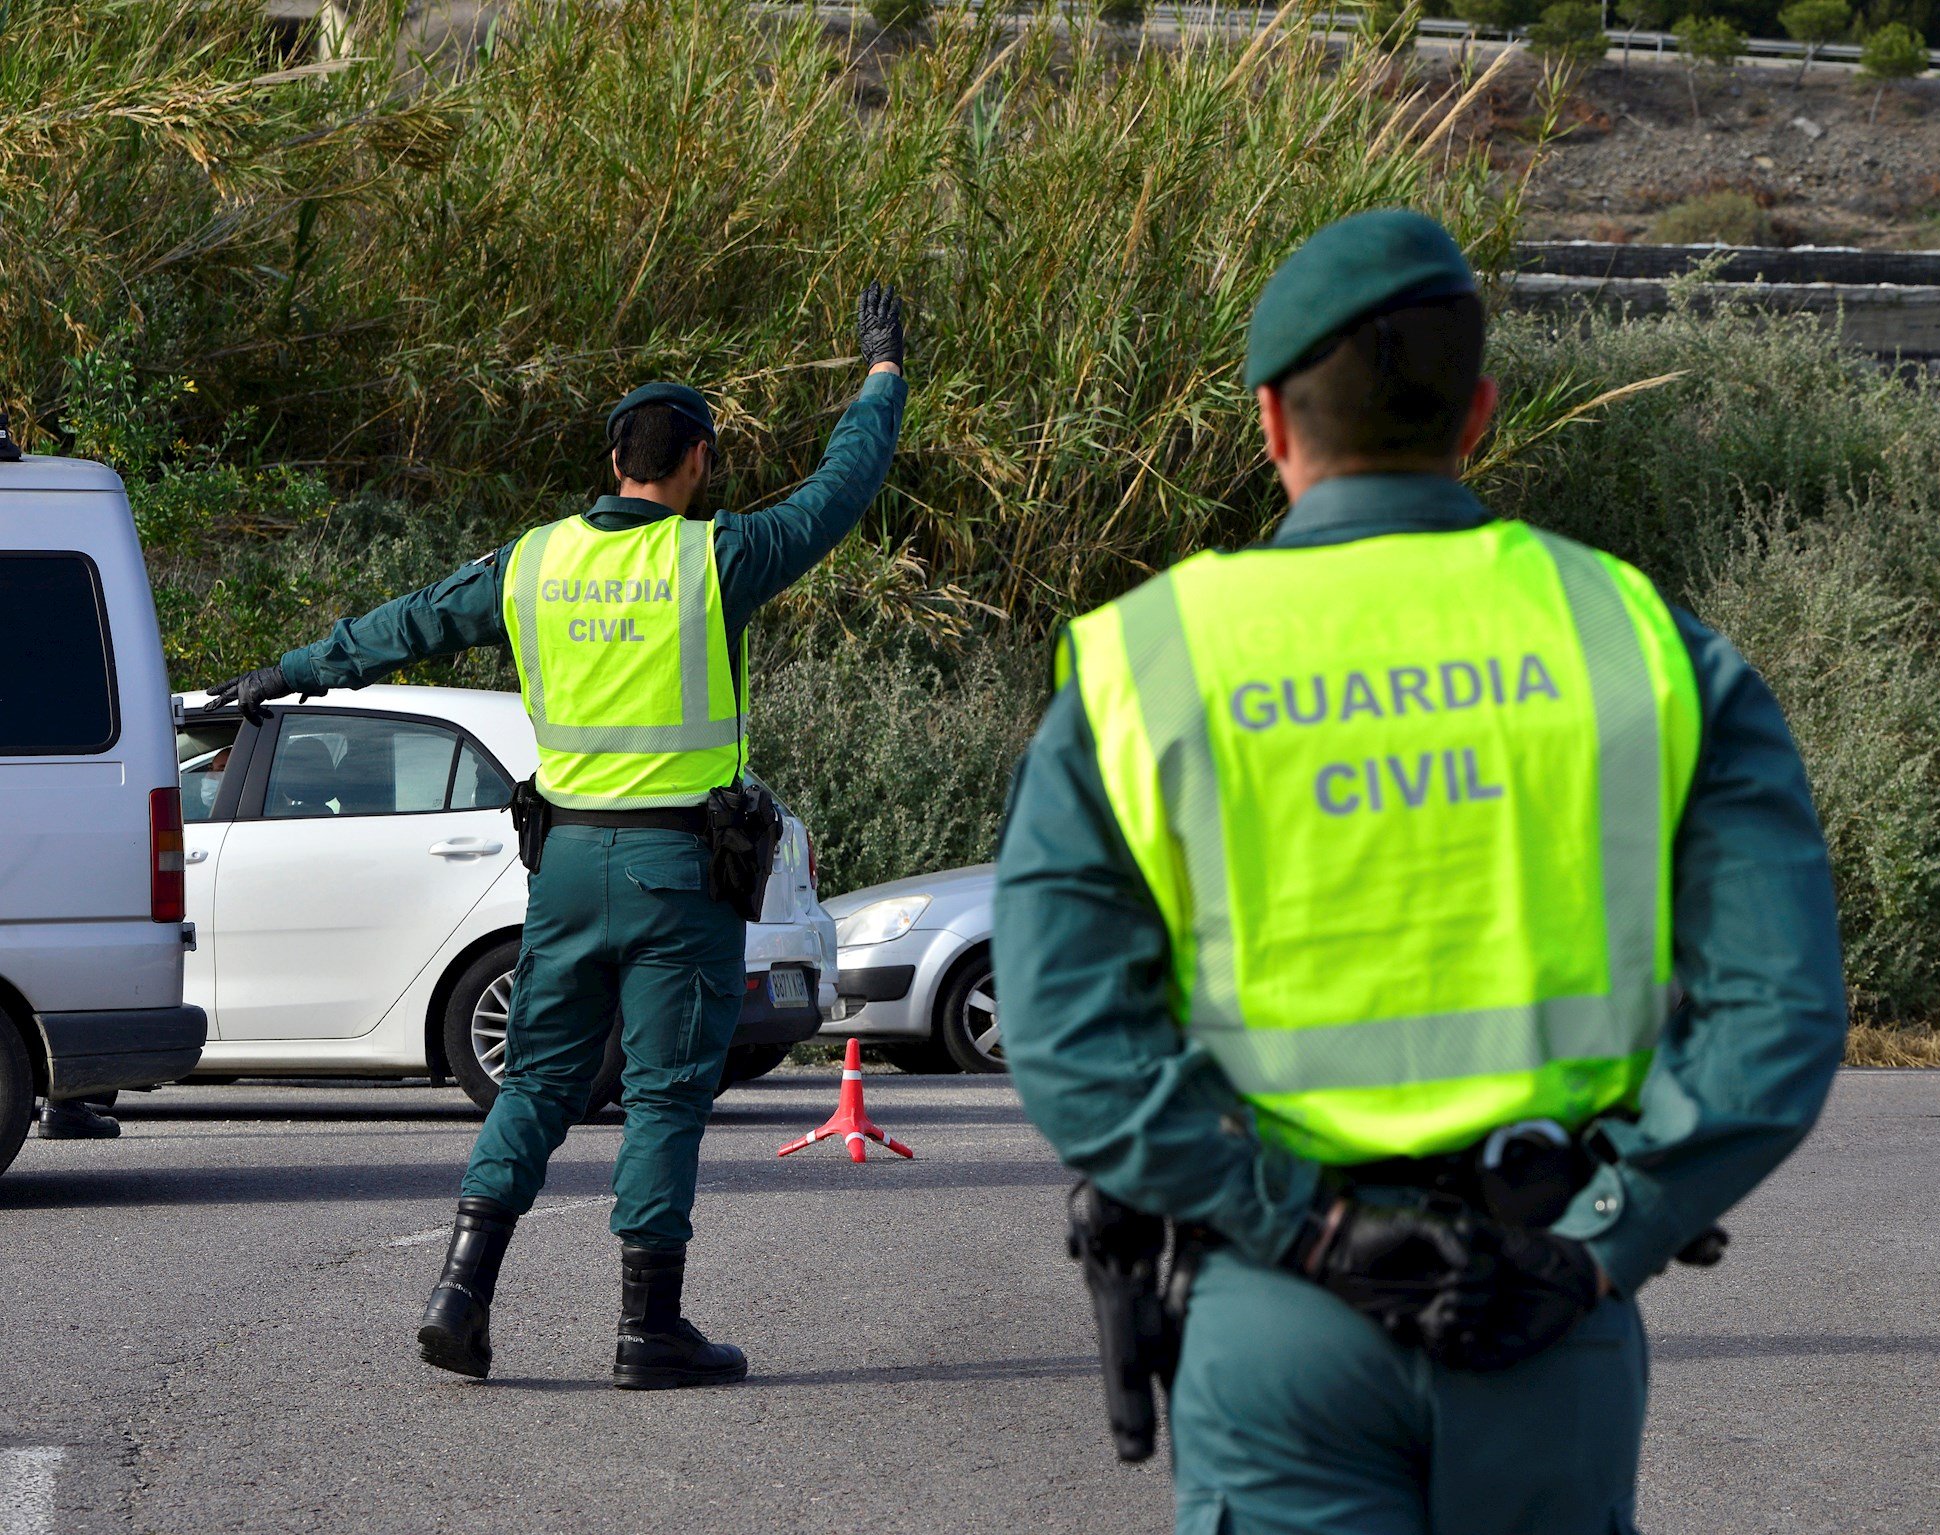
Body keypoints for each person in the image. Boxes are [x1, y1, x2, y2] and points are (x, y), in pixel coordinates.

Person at [994, 211, 1847, 1533]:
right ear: (1482, 412)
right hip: (1547, 1310)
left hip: (1284, 1316)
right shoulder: (1641, 641)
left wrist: (1302, 1227)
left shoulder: (1144, 662)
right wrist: (1608, 1239)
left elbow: (1066, 1037)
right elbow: (1780, 1010)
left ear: (1273, 422)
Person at [208, 286, 908, 1389]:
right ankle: (647, 1329)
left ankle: (460, 1291)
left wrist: (286, 672)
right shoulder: (714, 557)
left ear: (611, 458)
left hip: (568, 866)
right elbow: (840, 489)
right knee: (669, 1088)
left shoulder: (534, 562)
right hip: (682, 868)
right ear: (698, 462)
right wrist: (879, 377)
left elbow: (408, 621)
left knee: (537, 1079)